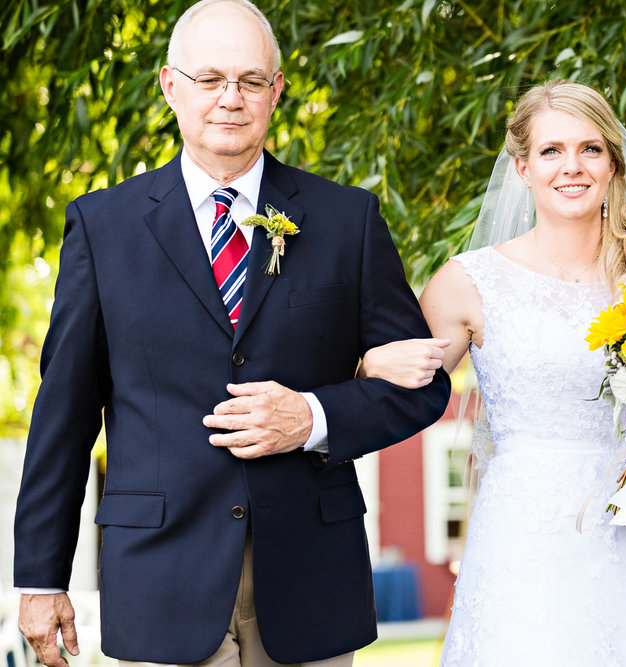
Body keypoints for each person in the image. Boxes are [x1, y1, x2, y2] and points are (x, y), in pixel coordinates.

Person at [13, 1, 450, 665]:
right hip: (162, 578)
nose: (230, 98)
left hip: (309, 578)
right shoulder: (103, 228)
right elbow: (65, 412)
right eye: (210, 78)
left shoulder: (346, 220)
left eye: (250, 80)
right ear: (170, 86)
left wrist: (312, 416)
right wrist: (42, 577)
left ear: (277, 91)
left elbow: (423, 385)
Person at [360, 81, 626, 665]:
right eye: (551, 151)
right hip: (524, 539)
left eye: (590, 149)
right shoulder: (470, 282)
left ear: (612, 161)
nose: (571, 167)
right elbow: (395, 397)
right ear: (521, 166)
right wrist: (368, 361)